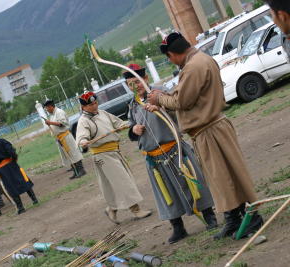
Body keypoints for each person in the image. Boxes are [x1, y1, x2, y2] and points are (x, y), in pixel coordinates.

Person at [146, 32, 263, 240]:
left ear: (173, 53)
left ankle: (250, 218)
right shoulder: (200, 60)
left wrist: (159, 99)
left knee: (227, 176)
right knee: (221, 178)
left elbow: (182, 102)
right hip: (209, 129)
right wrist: (161, 101)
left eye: (169, 57)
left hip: (210, 130)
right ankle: (233, 218)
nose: (170, 61)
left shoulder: (193, 67)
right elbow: (185, 97)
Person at [124, 64, 217, 243]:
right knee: (166, 192)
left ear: (146, 79)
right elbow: (131, 127)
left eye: (138, 81)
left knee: (193, 182)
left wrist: (160, 108)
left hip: (175, 149)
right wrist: (133, 129)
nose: (136, 86)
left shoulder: (160, 92)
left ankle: (209, 216)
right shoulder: (133, 105)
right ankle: (178, 227)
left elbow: (179, 109)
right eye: (130, 84)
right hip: (153, 157)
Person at [75, 91, 152, 224]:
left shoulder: (103, 113)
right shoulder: (83, 121)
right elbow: (82, 138)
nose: (94, 106)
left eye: (95, 103)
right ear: (83, 107)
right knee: (123, 181)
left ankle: (111, 209)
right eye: (91, 105)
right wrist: (83, 143)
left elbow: (118, 123)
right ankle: (136, 210)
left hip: (115, 151)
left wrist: (130, 125)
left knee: (117, 183)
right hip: (102, 155)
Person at [0, 125, 38, 215]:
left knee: (10, 187)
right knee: (23, 180)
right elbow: (12, 151)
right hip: (12, 164)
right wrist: (14, 159)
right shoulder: (3, 141)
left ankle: (21, 207)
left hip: (2, 169)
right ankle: (34, 199)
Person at [43, 99, 86, 179]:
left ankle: (81, 170)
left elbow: (62, 124)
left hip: (65, 136)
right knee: (68, 155)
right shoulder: (52, 115)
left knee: (73, 153)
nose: (46, 110)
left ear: (50, 106)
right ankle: (75, 171)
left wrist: (50, 123)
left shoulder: (59, 112)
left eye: (47, 108)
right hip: (60, 138)